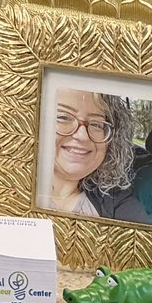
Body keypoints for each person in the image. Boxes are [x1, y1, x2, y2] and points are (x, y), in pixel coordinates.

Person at [41, 86, 134, 220]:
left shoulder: (118, 204)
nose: (83, 136)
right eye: (63, 117)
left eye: (97, 124)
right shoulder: (7, 188)